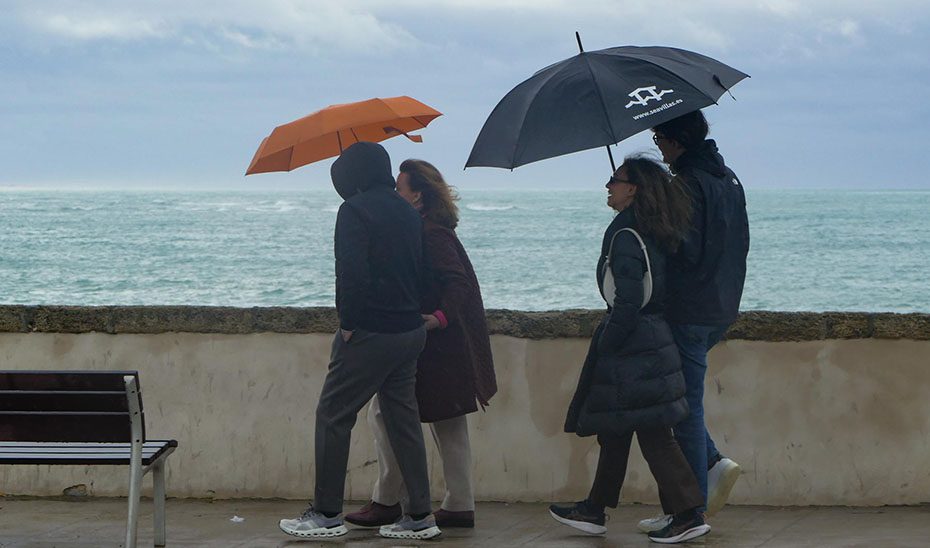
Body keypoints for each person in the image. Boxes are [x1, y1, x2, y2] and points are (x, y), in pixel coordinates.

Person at [278, 142, 440, 541]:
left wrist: (349, 323)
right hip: (408, 331)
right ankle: (420, 515)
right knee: (404, 422)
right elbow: (420, 271)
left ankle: (327, 513)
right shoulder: (407, 210)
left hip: (370, 332)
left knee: (333, 415)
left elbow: (350, 271)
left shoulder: (353, 210)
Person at [550, 156, 711, 544]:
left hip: (634, 345)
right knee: (616, 427)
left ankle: (688, 514)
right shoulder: (656, 227)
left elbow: (627, 301)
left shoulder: (625, 233)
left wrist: (608, 341)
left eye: (614, 180)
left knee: (655, 433)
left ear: (632, 188)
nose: (608, 186)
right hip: (654, 338)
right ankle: (594, 508)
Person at [346, 159, 497, 530]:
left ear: (417, 195)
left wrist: (437, 318)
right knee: (440, 424)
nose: (395, 194)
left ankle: (388, 500)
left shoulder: (429, 234)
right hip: (445, 347)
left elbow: (457, 283)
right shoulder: (430, 229)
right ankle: (457, 503)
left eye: (400, 188)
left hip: (437, 346)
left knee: (388, 416)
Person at [638, 110, 749, 532]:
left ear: (676, 140)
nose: (658, 146)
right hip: (721, 305)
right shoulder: (729, 179)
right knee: (683, 401)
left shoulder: (685, 183)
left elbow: (682, 248)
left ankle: (691, 512)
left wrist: (650, 220)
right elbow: (738, 244)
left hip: (689, 309)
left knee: (683, 409)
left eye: (659, 137)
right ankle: (709, 470)